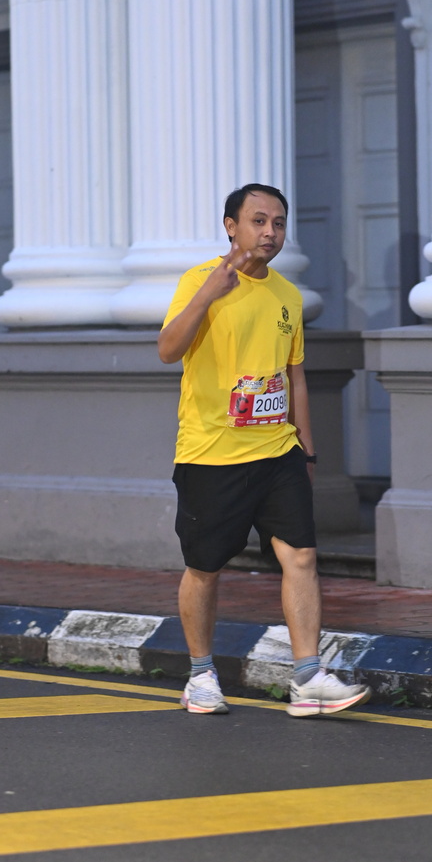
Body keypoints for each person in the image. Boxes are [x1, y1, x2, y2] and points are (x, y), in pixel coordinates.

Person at [158, 183, 371, 717]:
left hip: (278, 450)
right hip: (212, 452)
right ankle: (200, 674)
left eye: (278, 222)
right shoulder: (198, 281)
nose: (270, 232)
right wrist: (209, 293)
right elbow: (168, 350)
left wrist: (308, 449)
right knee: (205, 566)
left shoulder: (287, 296)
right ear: (231, 226)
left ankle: (307, 678)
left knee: (301, 555)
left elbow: (293, 376)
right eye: (258, 221)